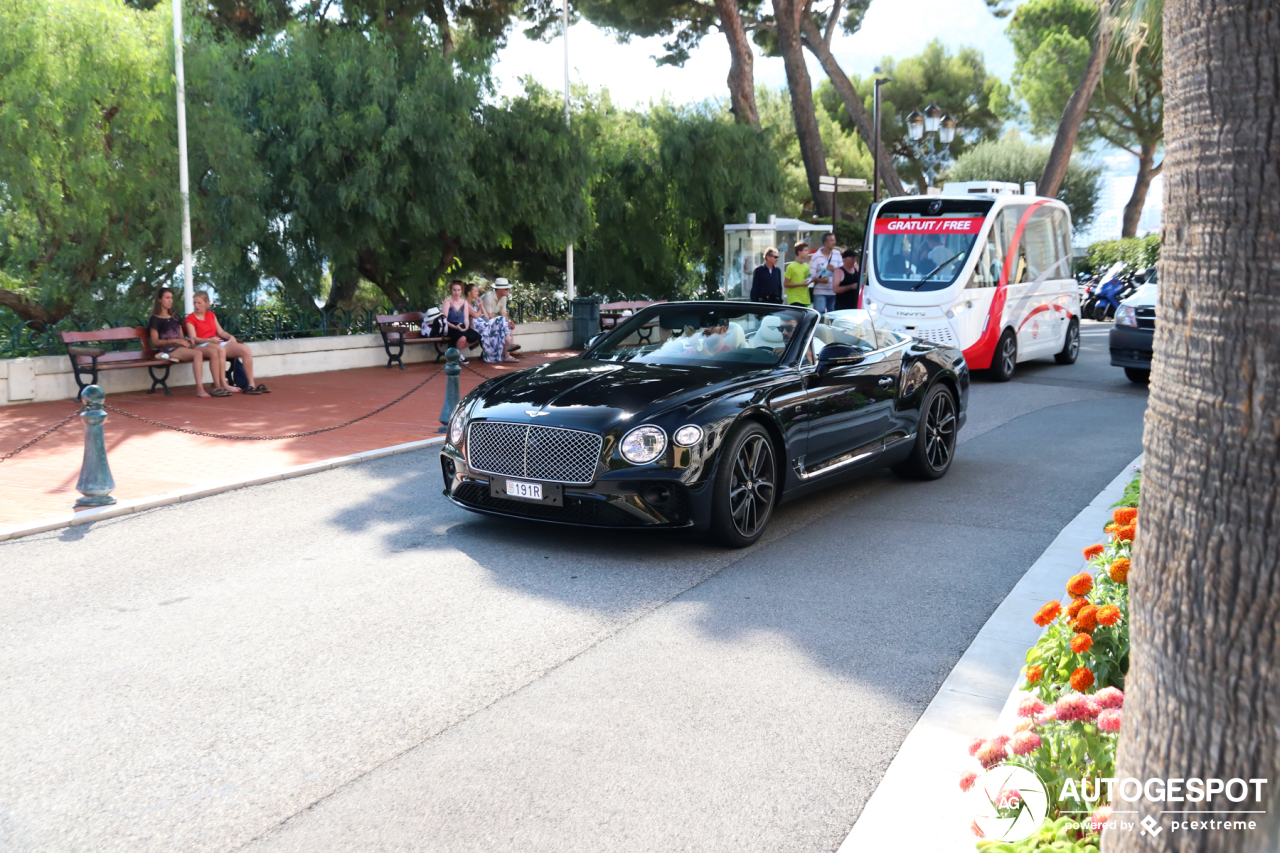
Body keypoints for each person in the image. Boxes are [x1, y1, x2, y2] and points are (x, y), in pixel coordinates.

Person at [185, 290, 269, 394]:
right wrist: (209, 340)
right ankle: (222, 385)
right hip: (203, 343)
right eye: (195, 303)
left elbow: (220, 332)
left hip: (216, 341)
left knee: (245, 349)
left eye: (199, 303)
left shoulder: (211, 315)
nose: (196, 305)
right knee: (220, 349)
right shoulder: (190, 319)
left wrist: (230, 336)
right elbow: (194, 338)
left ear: (206, 303)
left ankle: (251, 385)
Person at [148, 287, 218, 397]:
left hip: (182, 346)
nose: (170, 300)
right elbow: (155, 342)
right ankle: (200, 389)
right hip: (169, 349)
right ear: (159, 300)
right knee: (198, 354)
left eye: (171, 298)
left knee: (213, 352)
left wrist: (187, 340)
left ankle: (218, 387)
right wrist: (174, 341)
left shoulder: (176, 317)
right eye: (167, 298)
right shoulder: (155, 319)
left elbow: (181, 336)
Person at [466, 283, 516, 363]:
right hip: (476, 327)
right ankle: (509, 347)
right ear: (469, 293)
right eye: (476, 291)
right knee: (502, 321)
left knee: (503, 322)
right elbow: (475, 315)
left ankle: (508, 352)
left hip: (484, 324)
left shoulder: (475, 304)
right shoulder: (465, 303)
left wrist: (481, 305)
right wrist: (479, 310)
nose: (478, 293)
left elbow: (485, 316)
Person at [440, 280, 481, 361]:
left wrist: (466, 326)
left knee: (477, 337)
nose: (456, 292)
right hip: (449, 326)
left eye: (458, 290)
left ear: (461, 291)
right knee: (463, 337)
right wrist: (454, 326)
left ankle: (456, 351)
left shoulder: (464, 302)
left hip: (461, 325)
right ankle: (458, 355)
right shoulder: (447, 302)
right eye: (454, 290)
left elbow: (466, 318)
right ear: (451, 290)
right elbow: (444, 319)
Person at [480, 278, 521, 355]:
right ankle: (509, 349)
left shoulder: (503, 298)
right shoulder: (488, 297)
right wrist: (504, 323)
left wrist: (508, 323)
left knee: (507, 326)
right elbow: (488, 316)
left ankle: (510, 348)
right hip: (481, 322)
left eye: (508, 288)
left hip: (490, 321)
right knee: (504, 325)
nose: (508, 290)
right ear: (498, 289)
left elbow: (504, 314)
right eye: (506, 289)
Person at [809, 232, 841, 314]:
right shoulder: (816, 256)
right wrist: (820, 280)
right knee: (820, 314)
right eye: (831, 240)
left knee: (834, 315)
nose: (834, 242)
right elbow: (811, 275)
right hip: (820, 292)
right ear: (825, 243)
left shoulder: (837, 254)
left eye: (834, 240)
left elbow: (842, 271)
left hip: (834, 291)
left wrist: (834, 269)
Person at [783, 242, 813, 307]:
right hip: (794, 299)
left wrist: (812, 278)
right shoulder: (791, 267)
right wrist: (801, 284)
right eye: (805, 250)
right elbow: (786, 284)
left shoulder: (807, 266)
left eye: (807, 250)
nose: (807, 252)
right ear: (799, 252)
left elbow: (807, 280)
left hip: (806, 299)